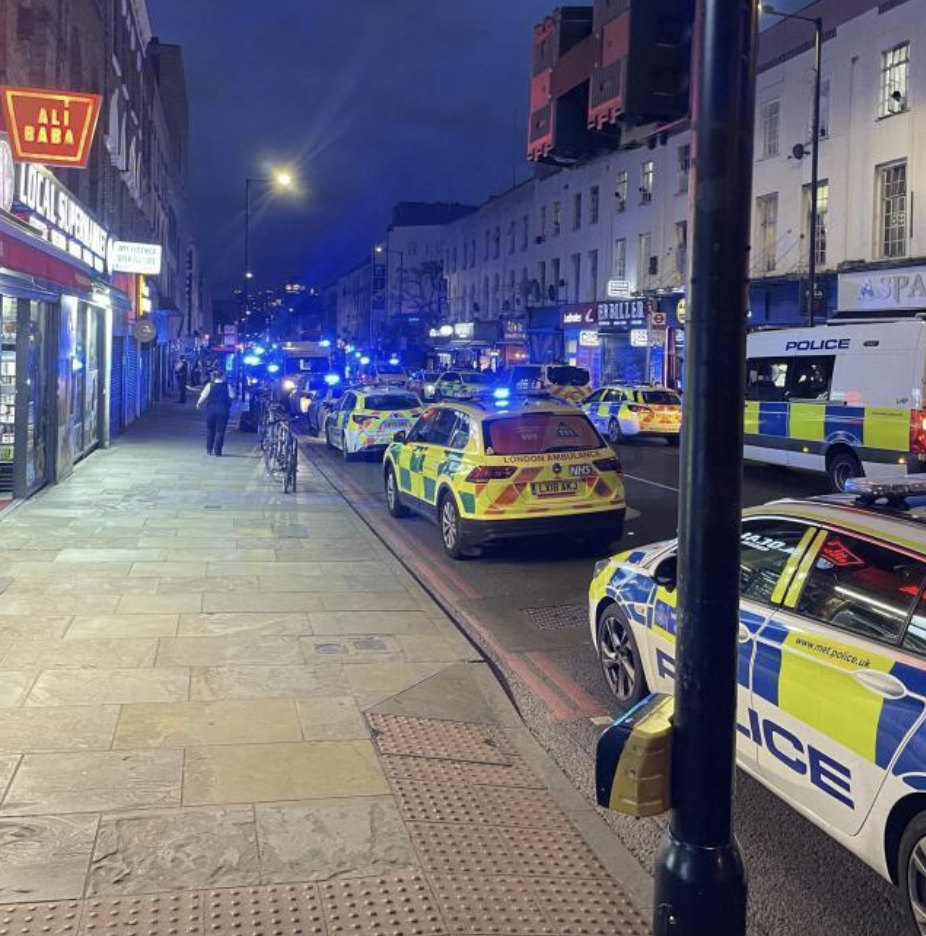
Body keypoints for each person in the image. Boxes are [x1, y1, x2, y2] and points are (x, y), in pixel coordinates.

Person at [196, 369, 234, 456]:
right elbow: (232, 396)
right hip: (223, 410)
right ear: (222, 376)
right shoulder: (227, 386)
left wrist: (198, 404)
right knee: (220, 431)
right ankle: (218, 451)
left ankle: (209, 449)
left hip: (211, 410)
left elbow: (203, 396)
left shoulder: (210, 385)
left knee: (210, 430)